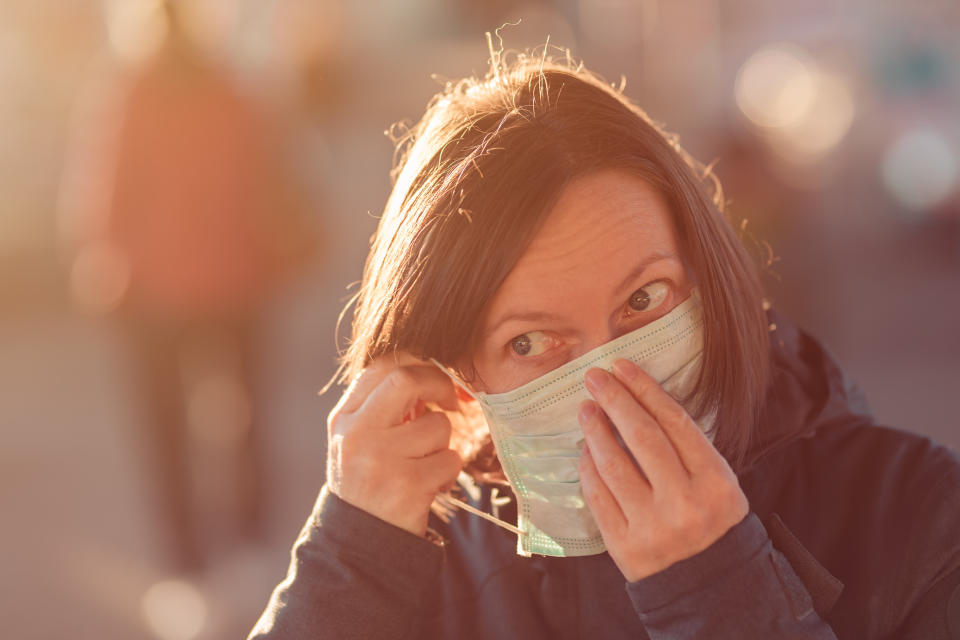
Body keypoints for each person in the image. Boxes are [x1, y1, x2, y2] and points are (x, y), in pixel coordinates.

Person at [248, 48, 960, 639]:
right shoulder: (422, 562)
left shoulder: (918, 517)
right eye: (531, 341)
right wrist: (353, 561)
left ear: (708, 273)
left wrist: (719, 589)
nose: (611, 371)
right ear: (457, 375)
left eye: (644, 299)